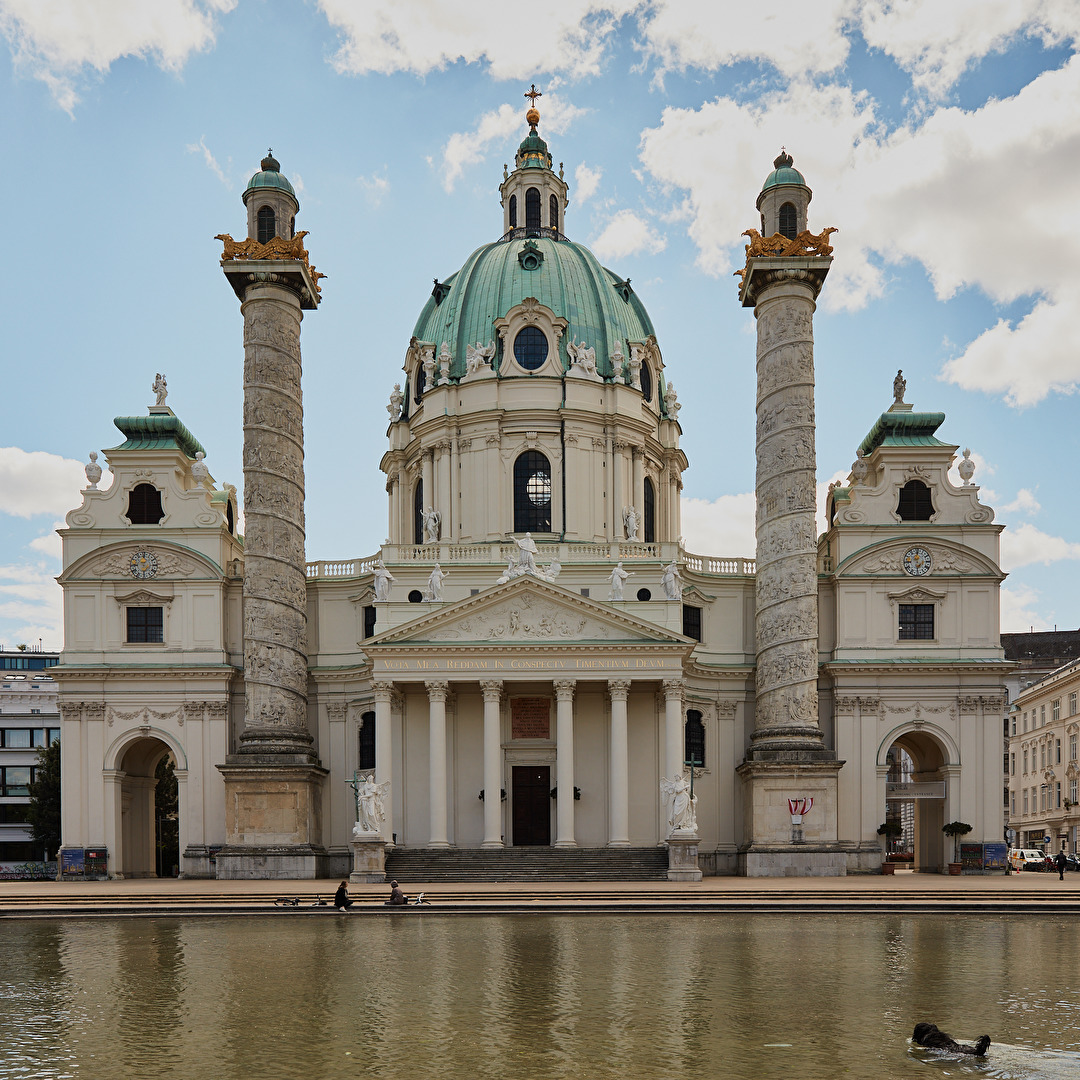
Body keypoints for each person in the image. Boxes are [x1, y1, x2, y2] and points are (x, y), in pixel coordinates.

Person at [912, 1023, 990, 1057]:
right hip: (966, 1049)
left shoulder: (927, 1041)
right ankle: (979, 1050)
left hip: (957, 1055)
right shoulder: (944, 1037)